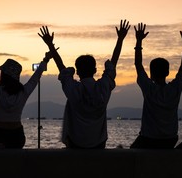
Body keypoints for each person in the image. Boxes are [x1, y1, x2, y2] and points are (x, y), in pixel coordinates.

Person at [38, 20, 130, 148]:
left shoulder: (73, 90)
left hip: (75, 143)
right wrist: (120, 39)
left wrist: (50, 45)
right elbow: (112, 65)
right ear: (95, 70)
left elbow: (61, 68)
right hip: (98, 143)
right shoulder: (102, 88)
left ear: (77, 71)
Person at [0, 27, 51, 148]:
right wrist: (46, 59)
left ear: (4, 75)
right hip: (17, 136)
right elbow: (35, 78)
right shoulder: (23, 92)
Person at [131, 23, 182, 149]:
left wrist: (139, 41)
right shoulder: (175, 88)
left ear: (151, 74)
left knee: (130, 153)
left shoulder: (149, 88)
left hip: (148, 139)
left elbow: (138, 64)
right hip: (170, 139)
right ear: (167, 73)